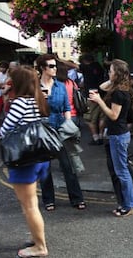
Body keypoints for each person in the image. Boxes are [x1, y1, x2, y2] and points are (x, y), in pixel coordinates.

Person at [0, 66, 50, 257]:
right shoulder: (39, 99)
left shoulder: (20, 103)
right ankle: (37, 237)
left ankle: (40, 247)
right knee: (31, 203)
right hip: (38, 157)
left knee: (29, 205)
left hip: (24, 160)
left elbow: (4, 130)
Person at [36, 54, 86, 211]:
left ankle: (77, 198)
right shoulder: (35, 87)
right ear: (42, 68)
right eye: (51, 66)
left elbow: (66, 108)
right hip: (43, 130)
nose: (54, 68)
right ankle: (48, 199)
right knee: (45, 168)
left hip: (61, 129)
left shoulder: (60, 86)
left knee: (68, 165)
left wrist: (69, 124)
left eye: (55, 65)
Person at [89, 59, 133, 217]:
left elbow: (113, 115)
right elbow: (102, 87)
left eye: (111, 71)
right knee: (120, 170)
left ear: (117, 73)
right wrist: (112, 78)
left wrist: (99, 101)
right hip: (119, 134)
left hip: (118, 135)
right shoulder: (123, 88)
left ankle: (129, 205)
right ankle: (125, 203)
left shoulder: (118, 92)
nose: (109, 73)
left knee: (122, 172)